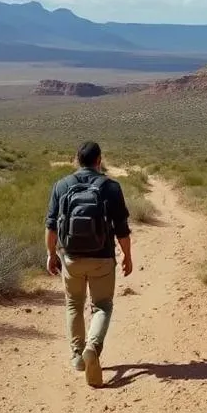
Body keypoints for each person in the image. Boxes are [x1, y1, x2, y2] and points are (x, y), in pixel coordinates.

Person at [45, 141, 133, 387]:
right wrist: (127, 255)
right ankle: (93, 347)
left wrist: (51, 254)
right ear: (99, 160)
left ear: (76, 159)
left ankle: (77, 356)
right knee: (102, 306)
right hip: (102, 259)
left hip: (71, 258)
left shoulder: (61, 186)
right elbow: (122, 229)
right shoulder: (111, 187)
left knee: (73, 304)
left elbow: (51, 226)